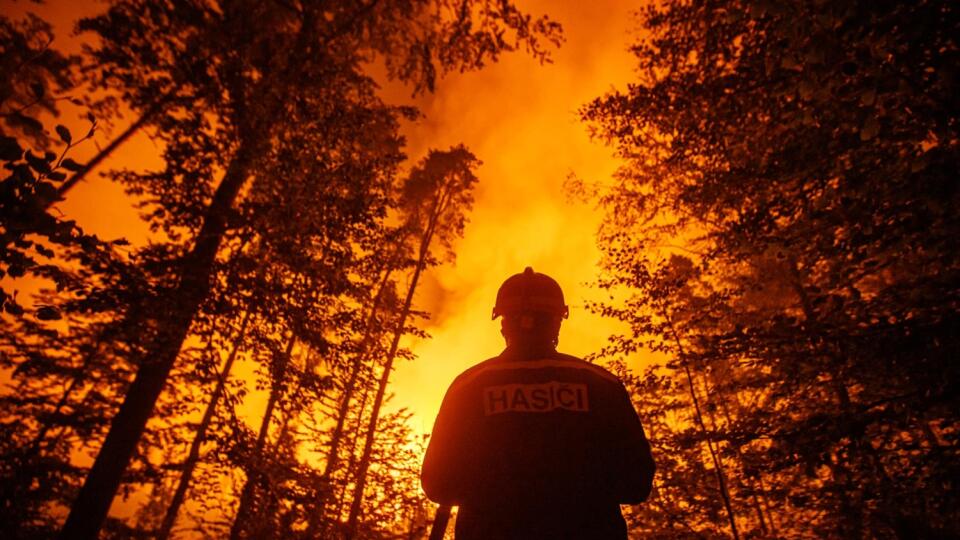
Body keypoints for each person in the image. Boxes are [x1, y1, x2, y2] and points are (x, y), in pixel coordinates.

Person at [421, 267, 655, 539]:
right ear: (557, 320)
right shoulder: (601, 385)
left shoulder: (468, 387)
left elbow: (438, 484)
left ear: (503, 322)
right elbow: (636, 484)